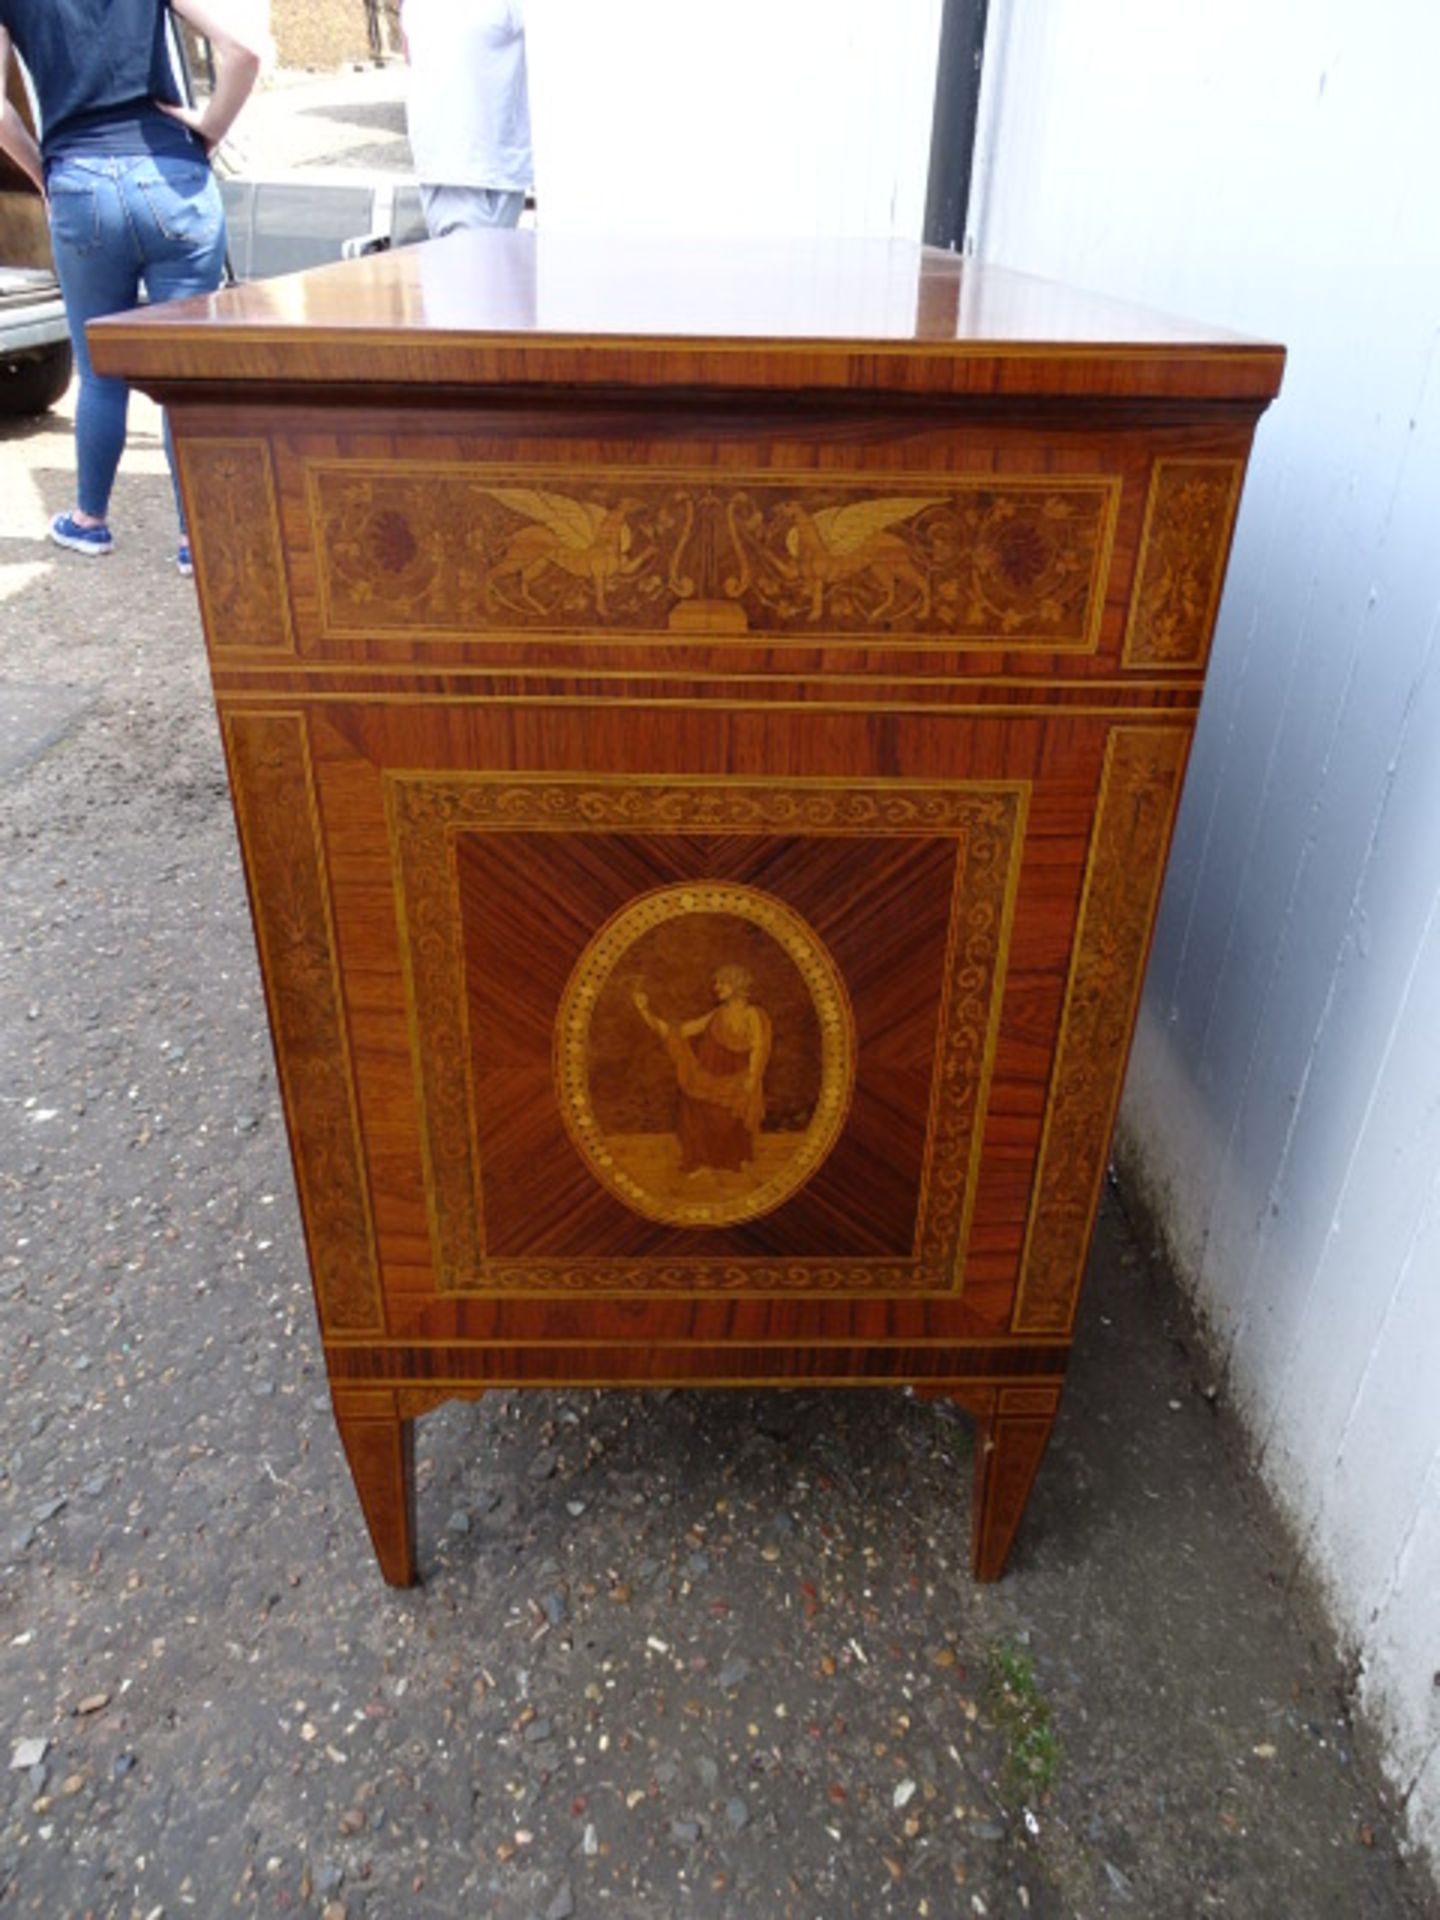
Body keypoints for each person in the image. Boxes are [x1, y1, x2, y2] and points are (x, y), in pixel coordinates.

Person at [0, 0, 262, 575]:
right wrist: (211, 128)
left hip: (80, 181)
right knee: (185, 372)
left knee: (99, 371)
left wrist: (47, 176)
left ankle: (89, 521)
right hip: (173, 177)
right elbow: (243, 53)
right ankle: (197, 535)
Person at [402, 0, 531, 239]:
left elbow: (411, 54)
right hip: (472, 169)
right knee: (476, 271)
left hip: (453, 164)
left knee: (471, 270)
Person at [633, 966, 773, 1174]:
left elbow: (759, 1046)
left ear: (736, 985)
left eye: (721, 983)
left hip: (740, 1078)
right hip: (711, 1078)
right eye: (717, 983)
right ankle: (702, 1163)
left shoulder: (753, 1014)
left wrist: (753, 1077)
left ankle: (733, 1161)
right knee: (692, 1106)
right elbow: (679, 1031)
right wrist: (645, 1011)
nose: (716, 988)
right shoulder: (717, 1014)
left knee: (730, 1119)